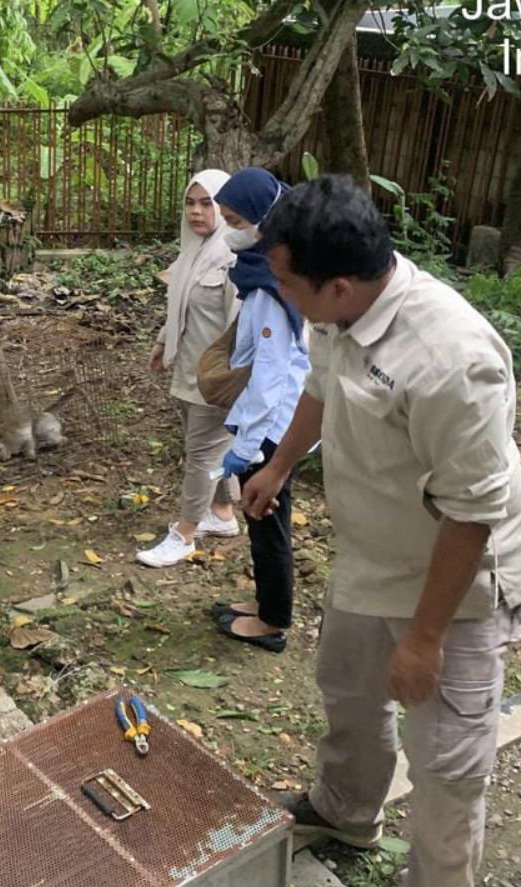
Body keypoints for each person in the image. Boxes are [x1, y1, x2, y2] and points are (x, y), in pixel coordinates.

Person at [240, 175, 521, 887]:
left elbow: (471, 515)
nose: (279, 292)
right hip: (373, 557)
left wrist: (425, 639)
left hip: (456, 586)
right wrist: (279, 465)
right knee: (347, 690)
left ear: (339, 285)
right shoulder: (337, 313)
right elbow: (321, 384)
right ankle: (346, 811)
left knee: (446, 764)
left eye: (286, 281)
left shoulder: (452, 361)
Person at [205, 167, 310, 653]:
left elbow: (270, 379)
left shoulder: (271, 288)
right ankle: (266, 604)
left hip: (273, 429)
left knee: (268, 522)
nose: (229, 228)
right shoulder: (264, 273)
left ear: (264, 220)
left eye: (234, 219)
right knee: (263, 521)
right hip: (270, 422)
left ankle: (273, 622)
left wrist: (246, 448)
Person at [137, 169, 243, 568]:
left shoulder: (233, 256)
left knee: (201, 453)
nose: (196, 212)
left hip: (216, 378)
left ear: (223, 207)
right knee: (213, 447)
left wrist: (237, 379)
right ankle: (223, 515)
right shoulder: (192, 250)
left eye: (206, 203)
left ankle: (184, 534)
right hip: (187, 367)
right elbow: (179, 304)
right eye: (190, 203)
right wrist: (164, 341)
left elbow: (242, 325)